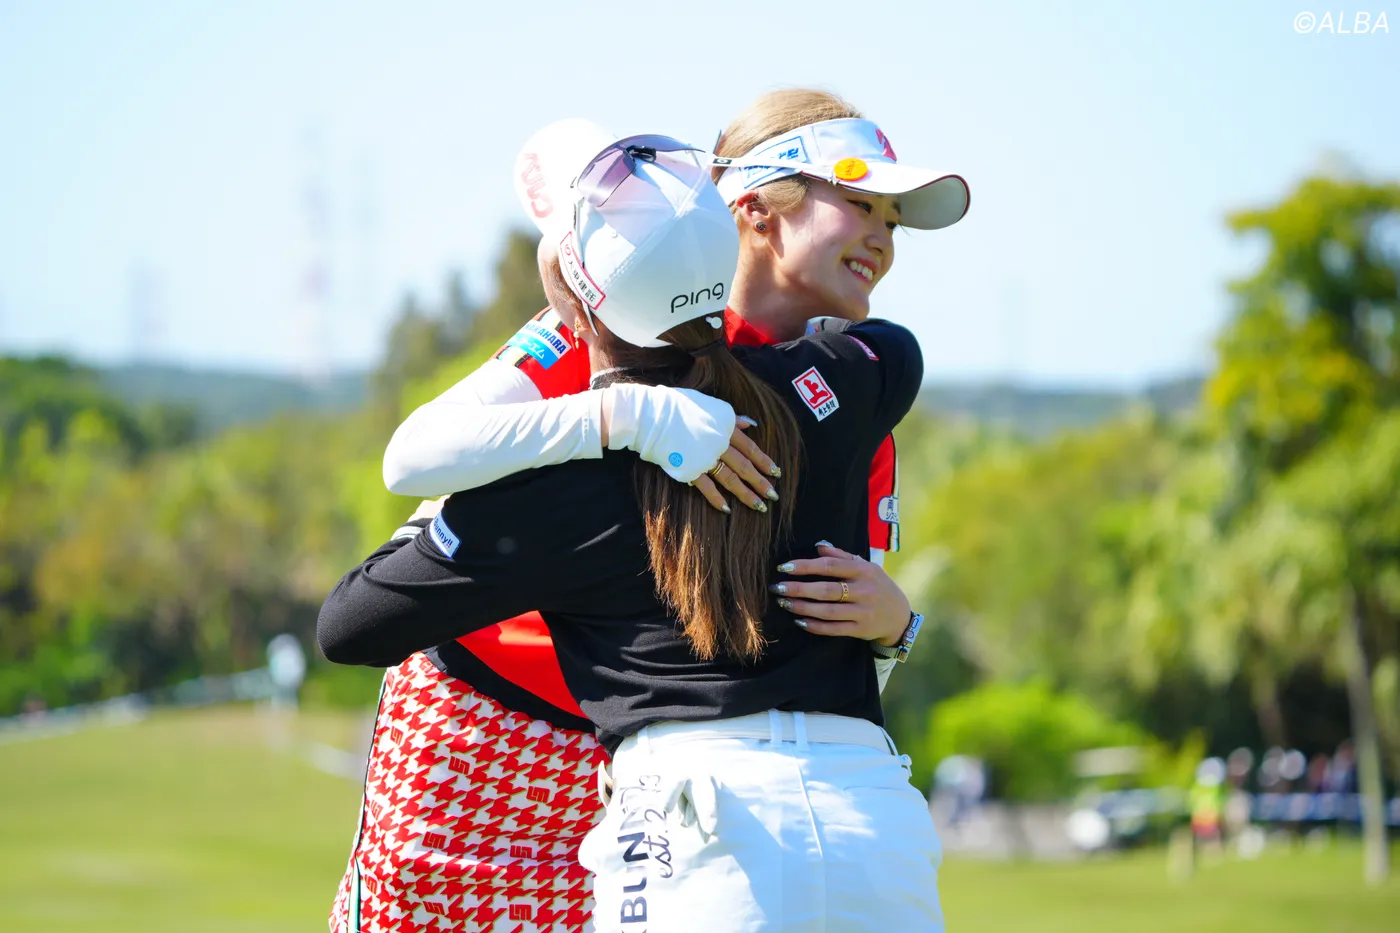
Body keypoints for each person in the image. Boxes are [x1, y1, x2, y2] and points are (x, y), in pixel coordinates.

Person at [327, 91, 968, 933]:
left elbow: (829, 654)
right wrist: (628, 415)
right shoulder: (606, 312)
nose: (884, 237)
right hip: (480, 709)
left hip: (644, 752)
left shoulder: (843, 389)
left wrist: (894, 629)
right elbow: (414, 455)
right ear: (754, 207)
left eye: (894, 218)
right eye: (858, 202)